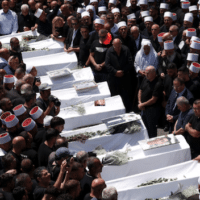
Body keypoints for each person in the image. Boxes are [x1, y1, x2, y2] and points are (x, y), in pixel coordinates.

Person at [105, 38, 135, 112]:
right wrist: (115, 72)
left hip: (125, 78)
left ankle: (127, 111)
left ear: (121, 44)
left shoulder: (126, 50)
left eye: (119, 47)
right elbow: (107, 64)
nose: (118, 49)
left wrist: (123, 71)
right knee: (114, 96)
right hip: (113, 78)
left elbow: (130, 62)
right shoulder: (109, 51)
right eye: (116, 47)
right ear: (113, 46)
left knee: (126, 96)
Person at [138, 66, 163, 138]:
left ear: (153, 73)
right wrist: (140, 102)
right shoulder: (145, 79)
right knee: (144, 128)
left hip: (152, 110)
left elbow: (153, 99)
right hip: (143, 109)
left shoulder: (158, 84)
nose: (146, 74)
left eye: (148, 73)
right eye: (145, 73)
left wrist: (142, 104)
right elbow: (140, 90)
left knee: (151, 130)